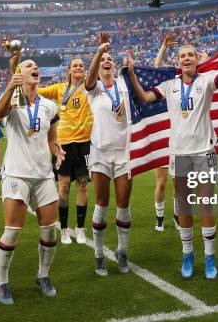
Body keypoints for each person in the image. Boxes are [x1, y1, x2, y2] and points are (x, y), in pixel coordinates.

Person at [128, 38, 218, 279]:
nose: (186, 58)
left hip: (204, 152)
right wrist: (132, 75)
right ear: (178, 62)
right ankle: (188, 254)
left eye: (190, 55)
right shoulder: (170, 85)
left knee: (206, 204)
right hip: (179, 153)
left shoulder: (207, 80)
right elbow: (145, 98)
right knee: (184, 205)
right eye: (182, 56)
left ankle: (210, 256)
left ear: (198, 60)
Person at [0, 58, 65, 305]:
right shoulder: (12, 100)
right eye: (29, 66)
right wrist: (10, 87)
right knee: (12, 231)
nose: (35, 68)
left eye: (36, 66)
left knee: (49, 230)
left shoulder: (49, 105)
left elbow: (52, 138)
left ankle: (43, 275)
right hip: (16, 174)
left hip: (44, 175)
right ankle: (1, 282)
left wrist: (58, 150)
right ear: (19, 73)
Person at [84, 32, 133, 277]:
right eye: (102, 59)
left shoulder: (123, 85)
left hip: (125, 152)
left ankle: (122, 251)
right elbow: (88, 79)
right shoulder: (95, 89)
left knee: (123, 204)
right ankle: (99, 255)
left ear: (113, 65)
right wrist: (98, 51)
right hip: (101, 153)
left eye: (109, 58)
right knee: (102, 204)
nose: (106, 61)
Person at [38, 57, 93, 245]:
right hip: (64, 144)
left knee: (83, 184)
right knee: (64, 185)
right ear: (68, 70)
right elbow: (36, 91)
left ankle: (80, 228)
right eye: (75, 66)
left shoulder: (91, 87)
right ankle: (63, 229)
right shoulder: (60, 88)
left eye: (81, 66)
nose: (78, 68)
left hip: (85, 142)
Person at [152, 32, 179, 232]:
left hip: (178, 139)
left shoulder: (181, 88)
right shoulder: (165, 88)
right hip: (162, 139)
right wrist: (164, 47)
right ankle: (159, 218)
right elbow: (156, 69)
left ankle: (178, 217)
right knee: (161, 183)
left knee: (178, 186)